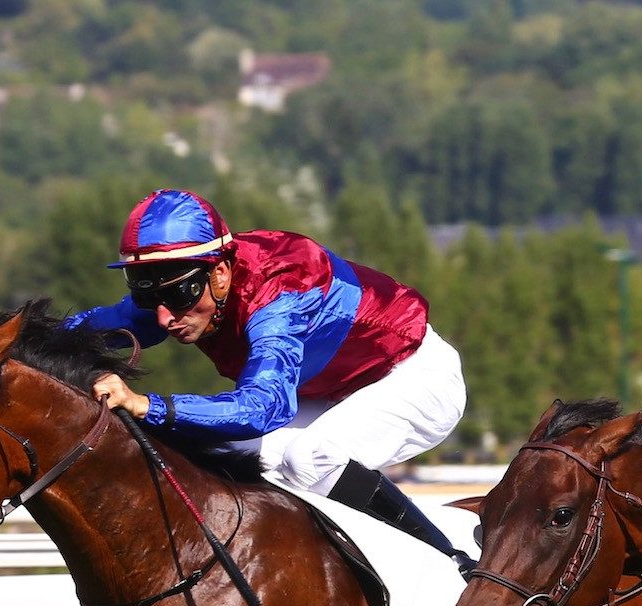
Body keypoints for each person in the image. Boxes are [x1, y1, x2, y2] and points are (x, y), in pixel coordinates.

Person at [69, 188, 470, 569]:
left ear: (221, 273)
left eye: (178, 296)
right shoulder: (189, 285)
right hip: (332, 392)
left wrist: (146, 404)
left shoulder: (279, 296)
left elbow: (264, 408)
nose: (162, 316)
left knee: (309, 457)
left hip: (415, 377)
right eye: (146, 298)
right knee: (217, 452)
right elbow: (79, 331)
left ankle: (449, 563)